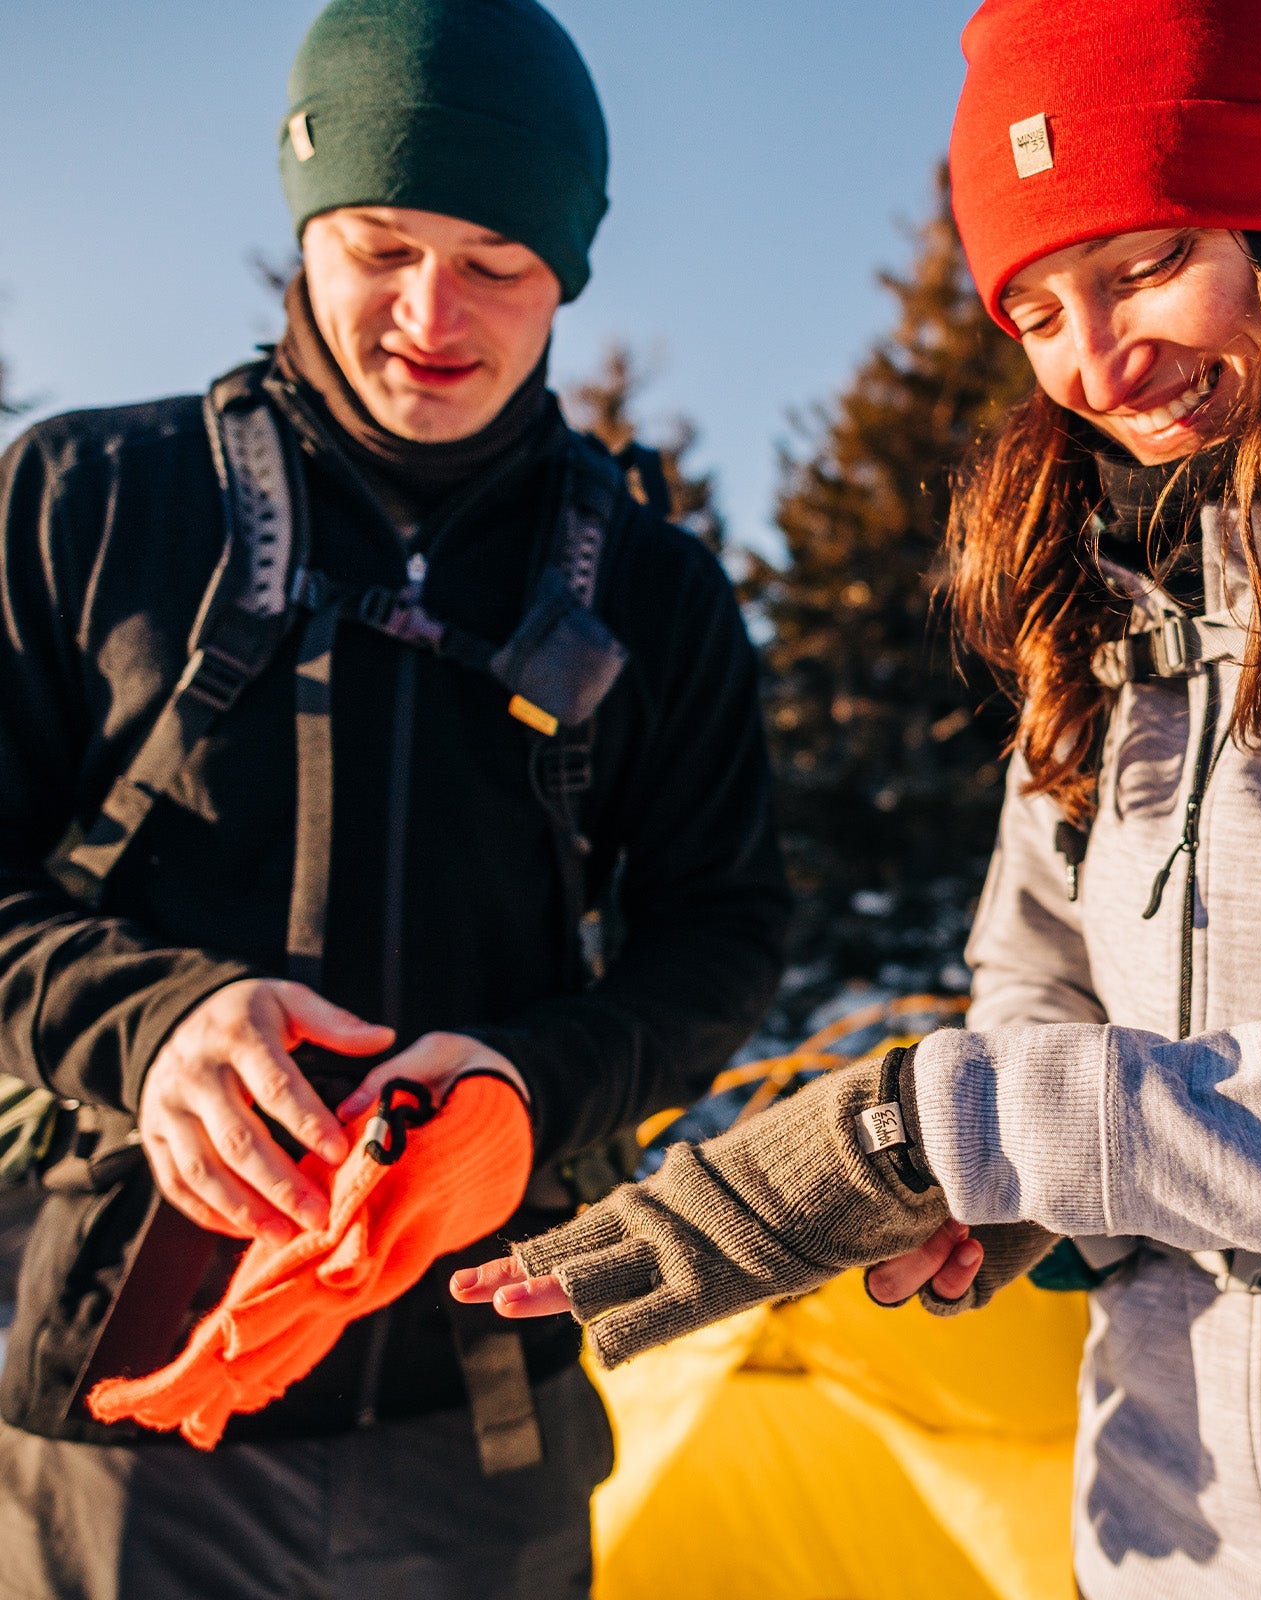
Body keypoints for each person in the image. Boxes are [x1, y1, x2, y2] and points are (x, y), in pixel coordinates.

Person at [455, 0, 1261, 1594]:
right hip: (1159, 1538)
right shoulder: (1111, 572)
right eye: (1038, 310)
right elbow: (1037, 981)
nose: (1100, 368)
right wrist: (1016, 1193)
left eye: (1148, 265)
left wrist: (971, 1129)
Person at [0, 0, 789, 1594]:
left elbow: (721, 936)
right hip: (116, 1412)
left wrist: (528, 1091)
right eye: (381, 247)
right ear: (305, 227)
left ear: (570, 270)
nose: (433, 314)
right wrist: (154, 1029)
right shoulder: (86, 503)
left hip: (483, 1413)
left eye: (497, 261)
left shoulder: (655, 591)